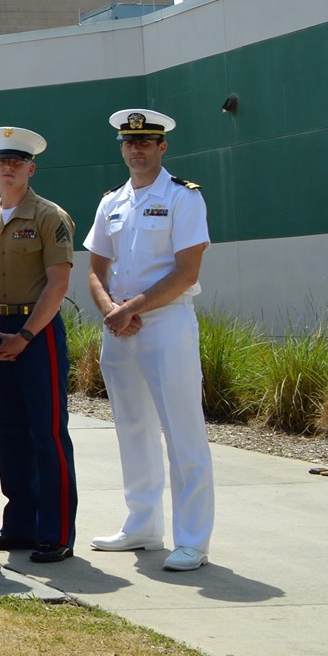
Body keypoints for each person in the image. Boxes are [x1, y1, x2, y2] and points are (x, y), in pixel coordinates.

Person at [86, 109, 214, 571]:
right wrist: (111, 311)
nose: (136, 149)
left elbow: (187, 271)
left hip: (166, 324)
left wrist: (131, 309)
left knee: (183, 432)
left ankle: (193, 539)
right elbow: (96, 268)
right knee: (132, 427)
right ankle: (142, 523)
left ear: (163, 147)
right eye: (129, 142)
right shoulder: (112, 202)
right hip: (120, 327)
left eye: (146, 142)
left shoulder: (183, 198)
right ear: (122, 148)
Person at [0, 126, 79, 564]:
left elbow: (58, 284)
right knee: (9, 432)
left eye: (17, 161)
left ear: (31, 168)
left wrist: (27, 336)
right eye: (2, 161)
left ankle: (55, 532)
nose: (9, 167)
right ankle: (19, 524)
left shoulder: (49, 216)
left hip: (36, 332)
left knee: (47, 433)